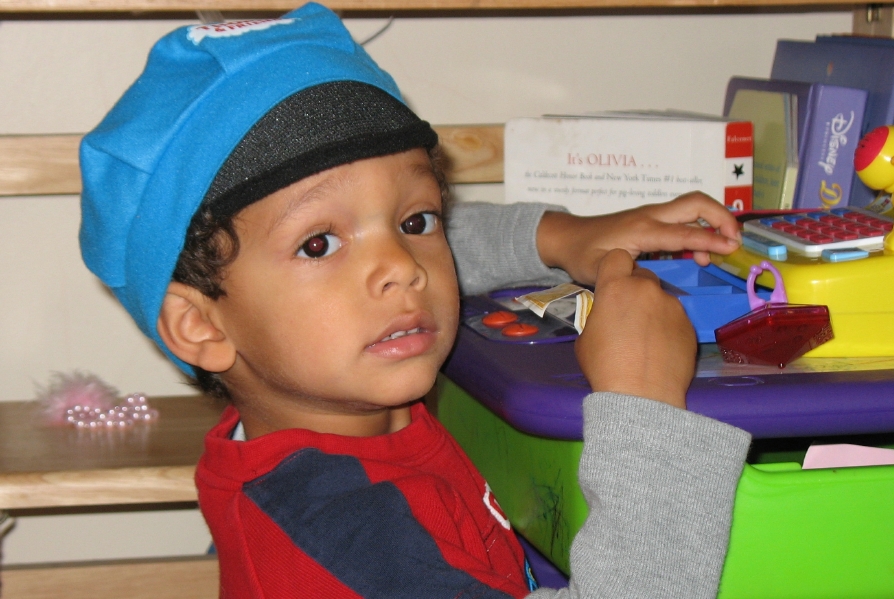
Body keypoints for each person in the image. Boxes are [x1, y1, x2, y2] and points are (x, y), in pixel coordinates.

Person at [78, 4, 751, 598]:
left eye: (413, 220)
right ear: (200, 325)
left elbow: (442, 246)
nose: (402, 267)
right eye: (319, 244)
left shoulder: (308, 423)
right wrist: (644, 402)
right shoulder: (350, 536)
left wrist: (559, 236)